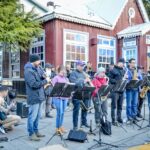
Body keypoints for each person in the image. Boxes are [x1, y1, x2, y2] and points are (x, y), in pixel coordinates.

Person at [24, 54, 50, 141]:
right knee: (32, 116)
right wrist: (45, 81)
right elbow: (33, 84)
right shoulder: (28, 71)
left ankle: (36, 131)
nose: (40, 63)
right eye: (38, 61)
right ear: (34, 61)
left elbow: (40, 78)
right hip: (34, 97)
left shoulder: (38, 68)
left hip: (40, 96)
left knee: (38, 116)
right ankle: (31, 134)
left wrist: (44, 76)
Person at [69, 60, 93, 130]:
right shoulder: (73, 73)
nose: (83, 67)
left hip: (85, 93)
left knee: (85, 109)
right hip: (77, 94)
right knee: (76, 111)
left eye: (83, 66)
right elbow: (74, 83)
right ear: (77, 66)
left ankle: (84, 122)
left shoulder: (84, 73)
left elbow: (88, 82)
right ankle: (75, 125)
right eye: (81, 66)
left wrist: (89, 81)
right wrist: (84, 80)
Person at [108, 58, 126, 126]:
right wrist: (117, 81)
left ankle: (119, 118)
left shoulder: (123, 70)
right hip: (115, 90)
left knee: (120, 105)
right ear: (119, 62)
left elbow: (124, 79)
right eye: (123, 63)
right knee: (114, 106)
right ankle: (113, 120)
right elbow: (109, 79)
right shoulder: (113, 70)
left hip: (122, 89)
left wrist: (125, 78)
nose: (124, 65)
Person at [52, 65, 69, 134]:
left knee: (62, 113)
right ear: (58, 71)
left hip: (65, 97)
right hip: (58, 97)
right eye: (62, 71)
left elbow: (68, 88)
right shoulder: (56, 78)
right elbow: (54, 88)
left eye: (64, 71)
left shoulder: (66, 78)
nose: (63, 72)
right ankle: (57, 128)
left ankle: (60, 126)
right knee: (60, 113)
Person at [126, 58, 143, 123]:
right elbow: (126, 80)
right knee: (129, 104)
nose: (134, 64)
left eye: (134, 62)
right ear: (129, 63)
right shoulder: (127, 70)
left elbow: (140, 79)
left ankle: (134, 116)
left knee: (135, 104)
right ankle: (129, 117)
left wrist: (138, 77)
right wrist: (130, 79)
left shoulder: (136, 70)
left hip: (136, 89)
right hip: (129, 89)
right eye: (132, 62)